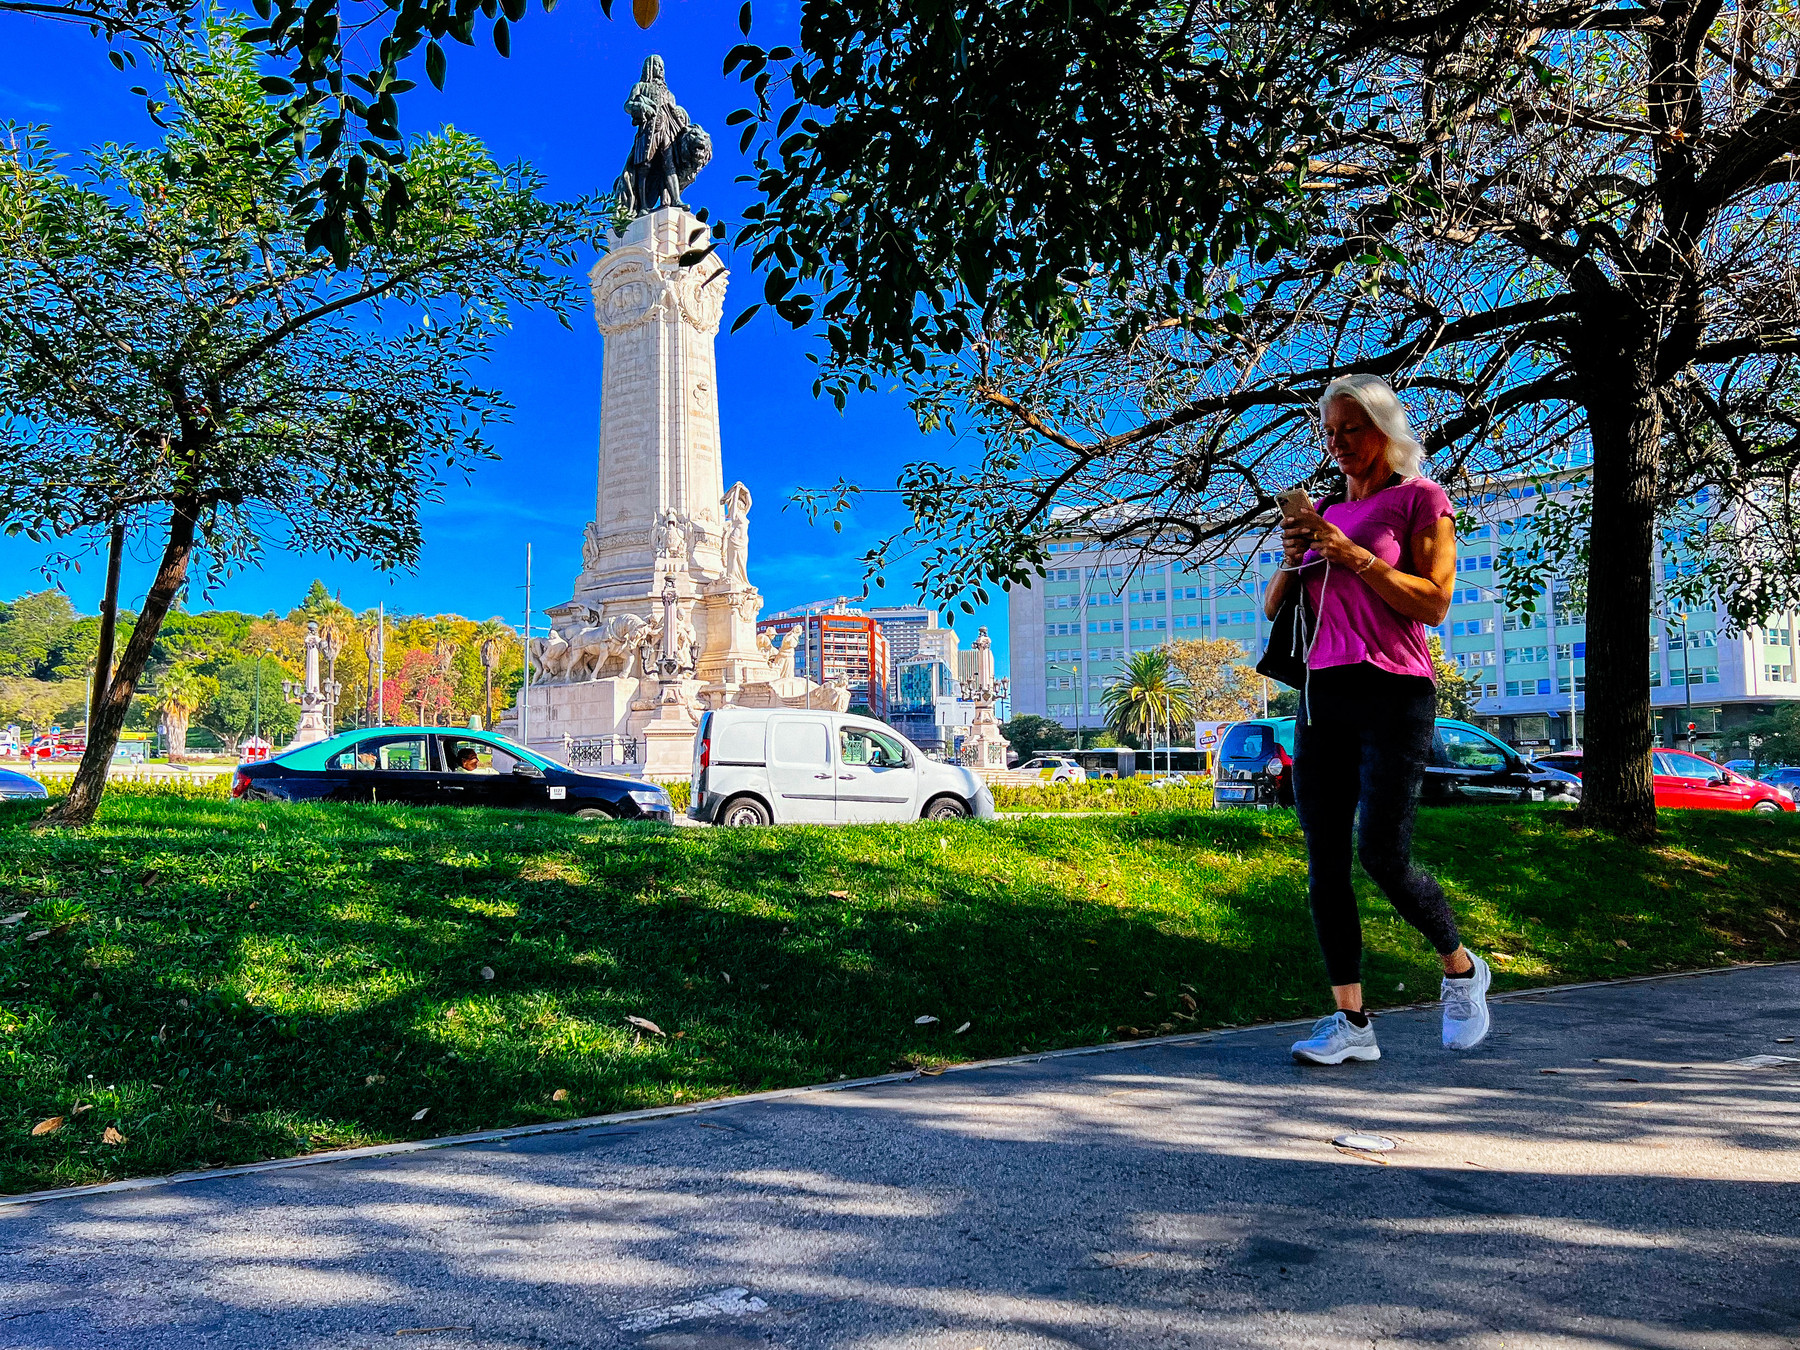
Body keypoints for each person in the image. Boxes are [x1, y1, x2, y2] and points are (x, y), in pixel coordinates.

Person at [1262, 374, 1492, 1065]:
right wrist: (1295, 554)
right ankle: (1352, 1024)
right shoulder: (1326, 509)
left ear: (1385, 431)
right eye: (1328, 434)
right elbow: (1277, 608)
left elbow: (1433, 602)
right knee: (1323, 863)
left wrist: (1355, 556)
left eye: (1350, 430)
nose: (1336, 446)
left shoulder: (1421, 499)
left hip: (1394, 695)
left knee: (1381, 854)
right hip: (1321, 697)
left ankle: (1461, 969)